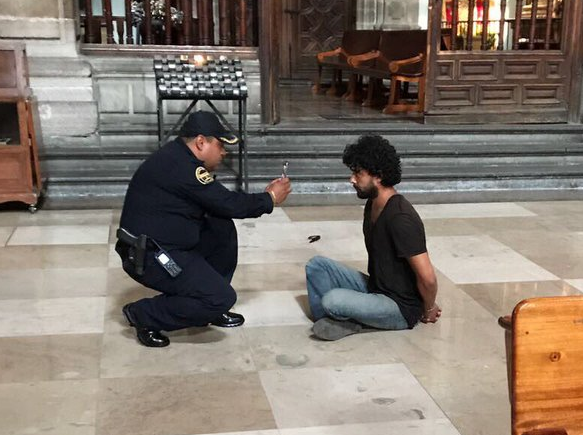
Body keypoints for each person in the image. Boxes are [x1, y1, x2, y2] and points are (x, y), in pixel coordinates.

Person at [117, 111, 291, 347]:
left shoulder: (179, 157)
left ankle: (206, 305)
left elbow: (219, 203)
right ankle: (144, 314)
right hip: (149, 254)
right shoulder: (182, 167)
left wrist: (264, 198)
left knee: (220, 226)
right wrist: (269, 198)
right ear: (201, 142)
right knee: (221, 298)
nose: (224, 152)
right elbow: (228, 203)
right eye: (220, 145)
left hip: (168, 242)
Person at [305, 134, 440, 341]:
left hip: (400, 307)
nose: (352, 179)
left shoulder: (401, 218)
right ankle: (338, 320)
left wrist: (428, 308)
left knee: (332, 299)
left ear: (379, 176)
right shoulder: (373, 204)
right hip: (376, 288)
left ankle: (347, 319)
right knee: (316, 266)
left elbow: (428, 277)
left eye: (358, 173)